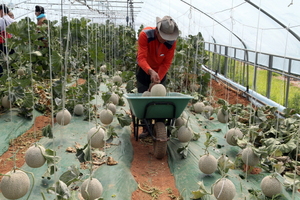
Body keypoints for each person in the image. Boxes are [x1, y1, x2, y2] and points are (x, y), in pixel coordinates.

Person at [136, 16, 179, 138]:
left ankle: (160, 126)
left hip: (160, 72)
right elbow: (141, 58)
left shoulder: (171, 42)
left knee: (160, 100)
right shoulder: (145, 35)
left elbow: (166, 62)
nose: (165, 40)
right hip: (144, 70)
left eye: (168, 38)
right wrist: (150, 71)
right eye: (163, 37)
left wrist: (157, 77)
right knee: (144, 98)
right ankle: (146, 128)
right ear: (157, 31)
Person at [0, 4, 16, 77]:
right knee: (12, 58)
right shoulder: (13, 20)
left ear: (1, 11)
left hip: (3, 41)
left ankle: (2, 75)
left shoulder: (2, 20)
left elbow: (2, 29)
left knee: (4, 58)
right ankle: (15, 74)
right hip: (12, 42)